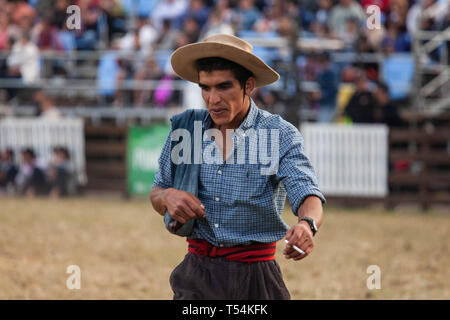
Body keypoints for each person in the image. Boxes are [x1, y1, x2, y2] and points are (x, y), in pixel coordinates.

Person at [150, 34, 325, 300]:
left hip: (257, 277)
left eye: (223, 87)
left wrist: (306, 225)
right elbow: (157, 192)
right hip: (197, 275)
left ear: (249, 85)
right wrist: (167, 196)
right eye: (205, 88)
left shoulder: (279, 134)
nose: (213, 99)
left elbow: (307, 192)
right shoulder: (185, 130)